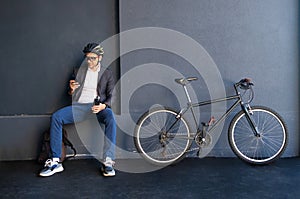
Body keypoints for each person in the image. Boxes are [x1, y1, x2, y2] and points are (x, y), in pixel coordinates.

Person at [39, 43, 117, 177]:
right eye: (87, 58)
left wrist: (104, 106)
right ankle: (56, 161)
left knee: (110, 116)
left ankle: (108, 161)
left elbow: (112, 95)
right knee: (57, 117)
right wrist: (71, 90)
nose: (89, 61)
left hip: (97, 107)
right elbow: (71, 93)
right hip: (80, 108)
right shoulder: (78, 71)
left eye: (93, 58)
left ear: (100, 58)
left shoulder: (107, 74)